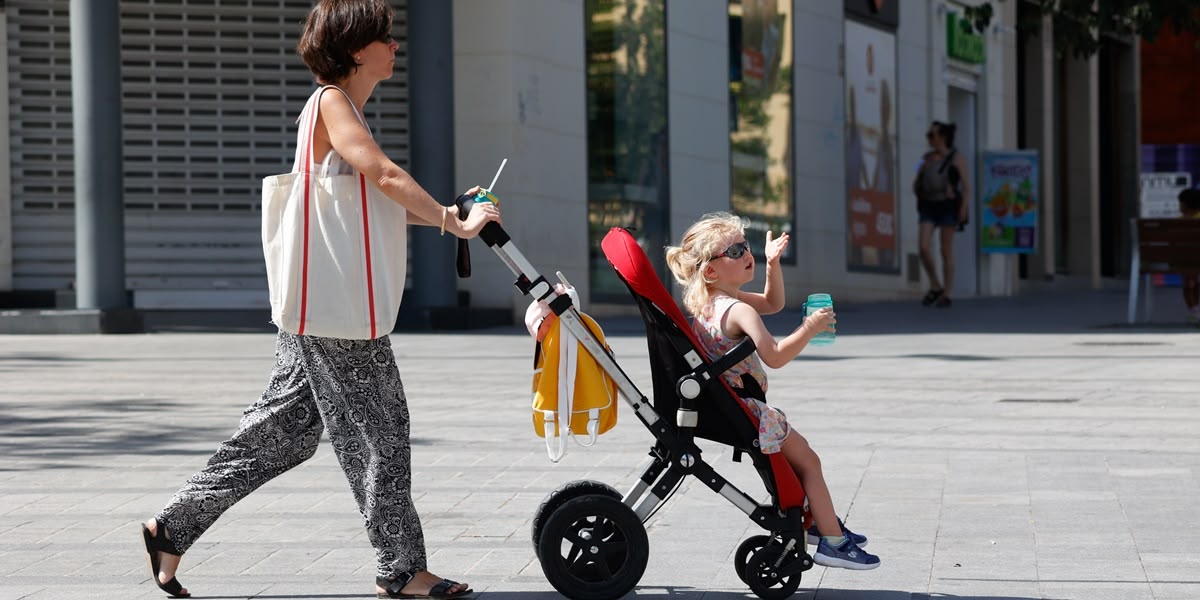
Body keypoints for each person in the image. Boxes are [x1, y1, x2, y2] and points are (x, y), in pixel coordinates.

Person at [139, 2, 499, 598]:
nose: (395, 47)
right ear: (357, 50)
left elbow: (368, 203)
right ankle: (402, 569)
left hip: (316, 308)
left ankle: (172, 527)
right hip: (336, 314)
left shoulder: (339, 109)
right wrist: (449, 222)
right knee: (382, 431)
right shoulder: (333, 102)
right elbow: (382, 176)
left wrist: (448, 215)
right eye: (385, 38)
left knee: (284, 431)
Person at [664, 212, 880, 571]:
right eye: (734, 251)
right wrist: (809, 328)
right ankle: (833, 543)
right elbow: (776, 357)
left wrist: (773, 263)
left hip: (733, 405)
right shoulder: (737, 311)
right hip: (752, 411)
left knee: (805, 460)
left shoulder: (711, 304)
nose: (746, 253)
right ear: (711, 271)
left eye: (745, 246)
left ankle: (823, 527)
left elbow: (773, 303)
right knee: (810, 463)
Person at [913, 120, 970, 308]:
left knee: (945, 251)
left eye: (932, 135)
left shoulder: (956, 157)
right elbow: (915, 182)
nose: (929, 139)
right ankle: (935, 284)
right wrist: (922, 170)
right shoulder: (925, 157)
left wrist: (962, 207)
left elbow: (966, 185)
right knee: (923, 246)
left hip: (947, 205)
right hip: (929, 204)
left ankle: (947, 292)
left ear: (942, 137)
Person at [1179, 188, 1200, 322]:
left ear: (1185, 205)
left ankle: (1193, 310)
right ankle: (1196, 310)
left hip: (1185, 261)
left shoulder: (1179, 222)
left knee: (1189, 281)